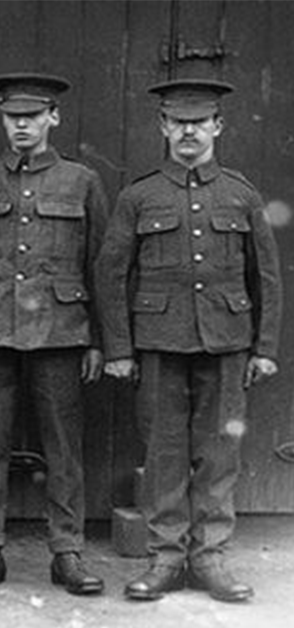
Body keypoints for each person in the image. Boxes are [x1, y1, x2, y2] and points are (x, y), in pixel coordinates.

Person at [96, 79, 281, 603]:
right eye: (179, 123)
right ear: (163, 127)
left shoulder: (241, 195)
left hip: (226, 343)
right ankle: (166, 558)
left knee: (220, 454)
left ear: (218, 126)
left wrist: (264, 348)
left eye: (199, 123)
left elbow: (265, 276)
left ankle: (210, 558)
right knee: (163, 454)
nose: (189, 133)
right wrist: (118, 349)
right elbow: (111, 275)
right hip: (158, 343)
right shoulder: (139, 195)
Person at [0, 73, 108, 595]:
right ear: (2, 119)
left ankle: (68, 552)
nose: (22, 125)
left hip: (61, 334)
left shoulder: (82, 182)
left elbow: (99, 265)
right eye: (13, 117)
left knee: (64, 449)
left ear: (52, 118)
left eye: (32, 117)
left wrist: (100, 340)